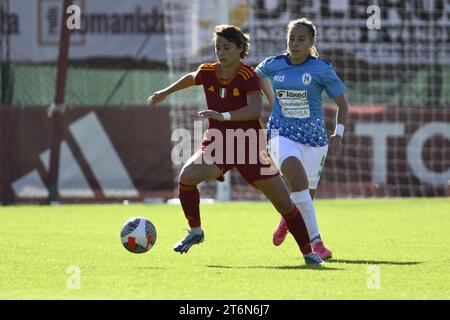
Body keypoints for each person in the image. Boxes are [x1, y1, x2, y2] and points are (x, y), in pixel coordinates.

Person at [148, 24, 324, 266]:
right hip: (217, 145)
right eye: (217, 47)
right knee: (187, 177)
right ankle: (196, 231)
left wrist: (224, 116)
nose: (221, 52)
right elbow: (191, 78)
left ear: (241, 48)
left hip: (248, 147)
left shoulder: (247, 75)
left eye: (227, 47)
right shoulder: (209, 71)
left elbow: (254, 109)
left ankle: (309, 253)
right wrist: (165, 92)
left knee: (284, 202)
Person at [256, 18, 349, 259]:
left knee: (305, 195)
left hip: (315, 140)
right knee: (298, 183)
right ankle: (316, 243)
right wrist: (271, 101)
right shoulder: (274, 65)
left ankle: (288, 218)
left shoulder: (321, 69)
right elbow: (254, 76)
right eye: (291, 39)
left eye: (301, 39)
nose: (295, 43)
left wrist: (338, 134)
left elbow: (342, 104)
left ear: (311, 42)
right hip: (280, 134)